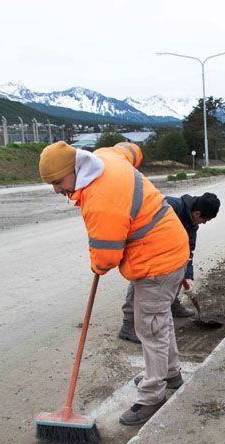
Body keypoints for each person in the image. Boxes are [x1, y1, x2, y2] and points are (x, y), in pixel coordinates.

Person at [39, 141, 189, 426]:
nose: (57, 190)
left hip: (157, 259)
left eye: (58, 182)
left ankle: (151, 396)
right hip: (170, 246)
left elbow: (106, 257)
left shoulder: (100, 198)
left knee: (151, 328)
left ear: (73, 170)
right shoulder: (104, 156)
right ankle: (170, 373)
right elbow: (131, 149)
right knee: (159, 320)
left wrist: (97, 264)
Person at [119, 191, 221, 343]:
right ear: (197, 213)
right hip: (145, 251)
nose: (204, 223)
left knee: (179, 268)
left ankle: (172, 304)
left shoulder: (192, 223)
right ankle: (128, 325)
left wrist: (188, 275)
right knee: (140, 283)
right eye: (205, 219)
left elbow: (188, 250)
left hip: (167, 255)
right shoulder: (169, 207)